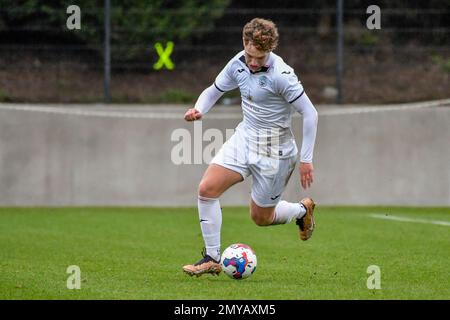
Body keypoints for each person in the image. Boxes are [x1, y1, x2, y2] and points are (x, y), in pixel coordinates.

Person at [182, 18, 318, 277]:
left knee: (261, 218)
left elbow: (310, 114)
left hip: (275, 150)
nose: (253, 62)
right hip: (245, 138)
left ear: (271, 50)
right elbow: (213, 90)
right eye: (250, 55)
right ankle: (212, 257)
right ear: (244, 44)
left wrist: (306, 159)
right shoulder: (238, 63)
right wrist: (199, 109)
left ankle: (302, 210)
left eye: (260, 57)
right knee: (207, 189)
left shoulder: (282, 75)